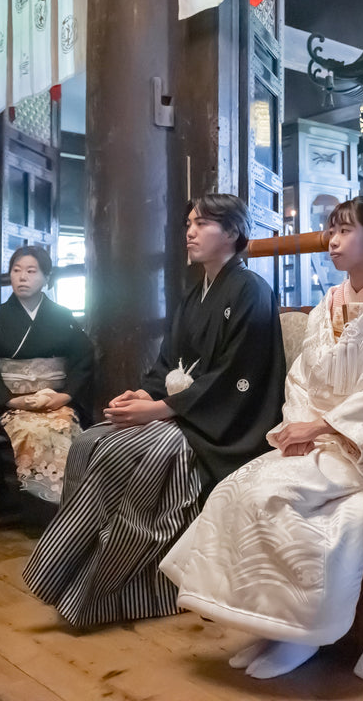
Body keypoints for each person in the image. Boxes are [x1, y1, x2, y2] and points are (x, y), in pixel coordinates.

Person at [162, 196, 363, 701]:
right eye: (330, 230)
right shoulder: (327, 303)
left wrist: (328, 426)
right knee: (237, 487)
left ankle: (304, 635)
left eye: (345, 231)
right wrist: (299, 427)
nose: (332, 240)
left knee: (278, 500)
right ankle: (272, 624)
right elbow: (301, 378)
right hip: (320, 440)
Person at [23, 193, 286, 628]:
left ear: (234, 233)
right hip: (185, 410)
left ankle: (112, 592)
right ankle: (70, 577)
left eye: (202, 223)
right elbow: (168, 363)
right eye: (189, 223)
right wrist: (143, 397)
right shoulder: (194, 294)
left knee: (125, 453)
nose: (190, 231)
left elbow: (238, 378)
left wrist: (163, 409)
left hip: (225, 423)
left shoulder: (251, 291)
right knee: (89, 440)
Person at [0, 246, 93, 510]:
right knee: (31, 430)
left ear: (46, 278)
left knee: (65, 429)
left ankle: (71, 504)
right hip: (10, 403)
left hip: (55, 401)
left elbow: (84, 359)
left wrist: (65, 395)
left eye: (30, 271)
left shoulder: (62, 316)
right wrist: (10, 402)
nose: (22, 277)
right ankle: (44, 504)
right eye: (16, 271)